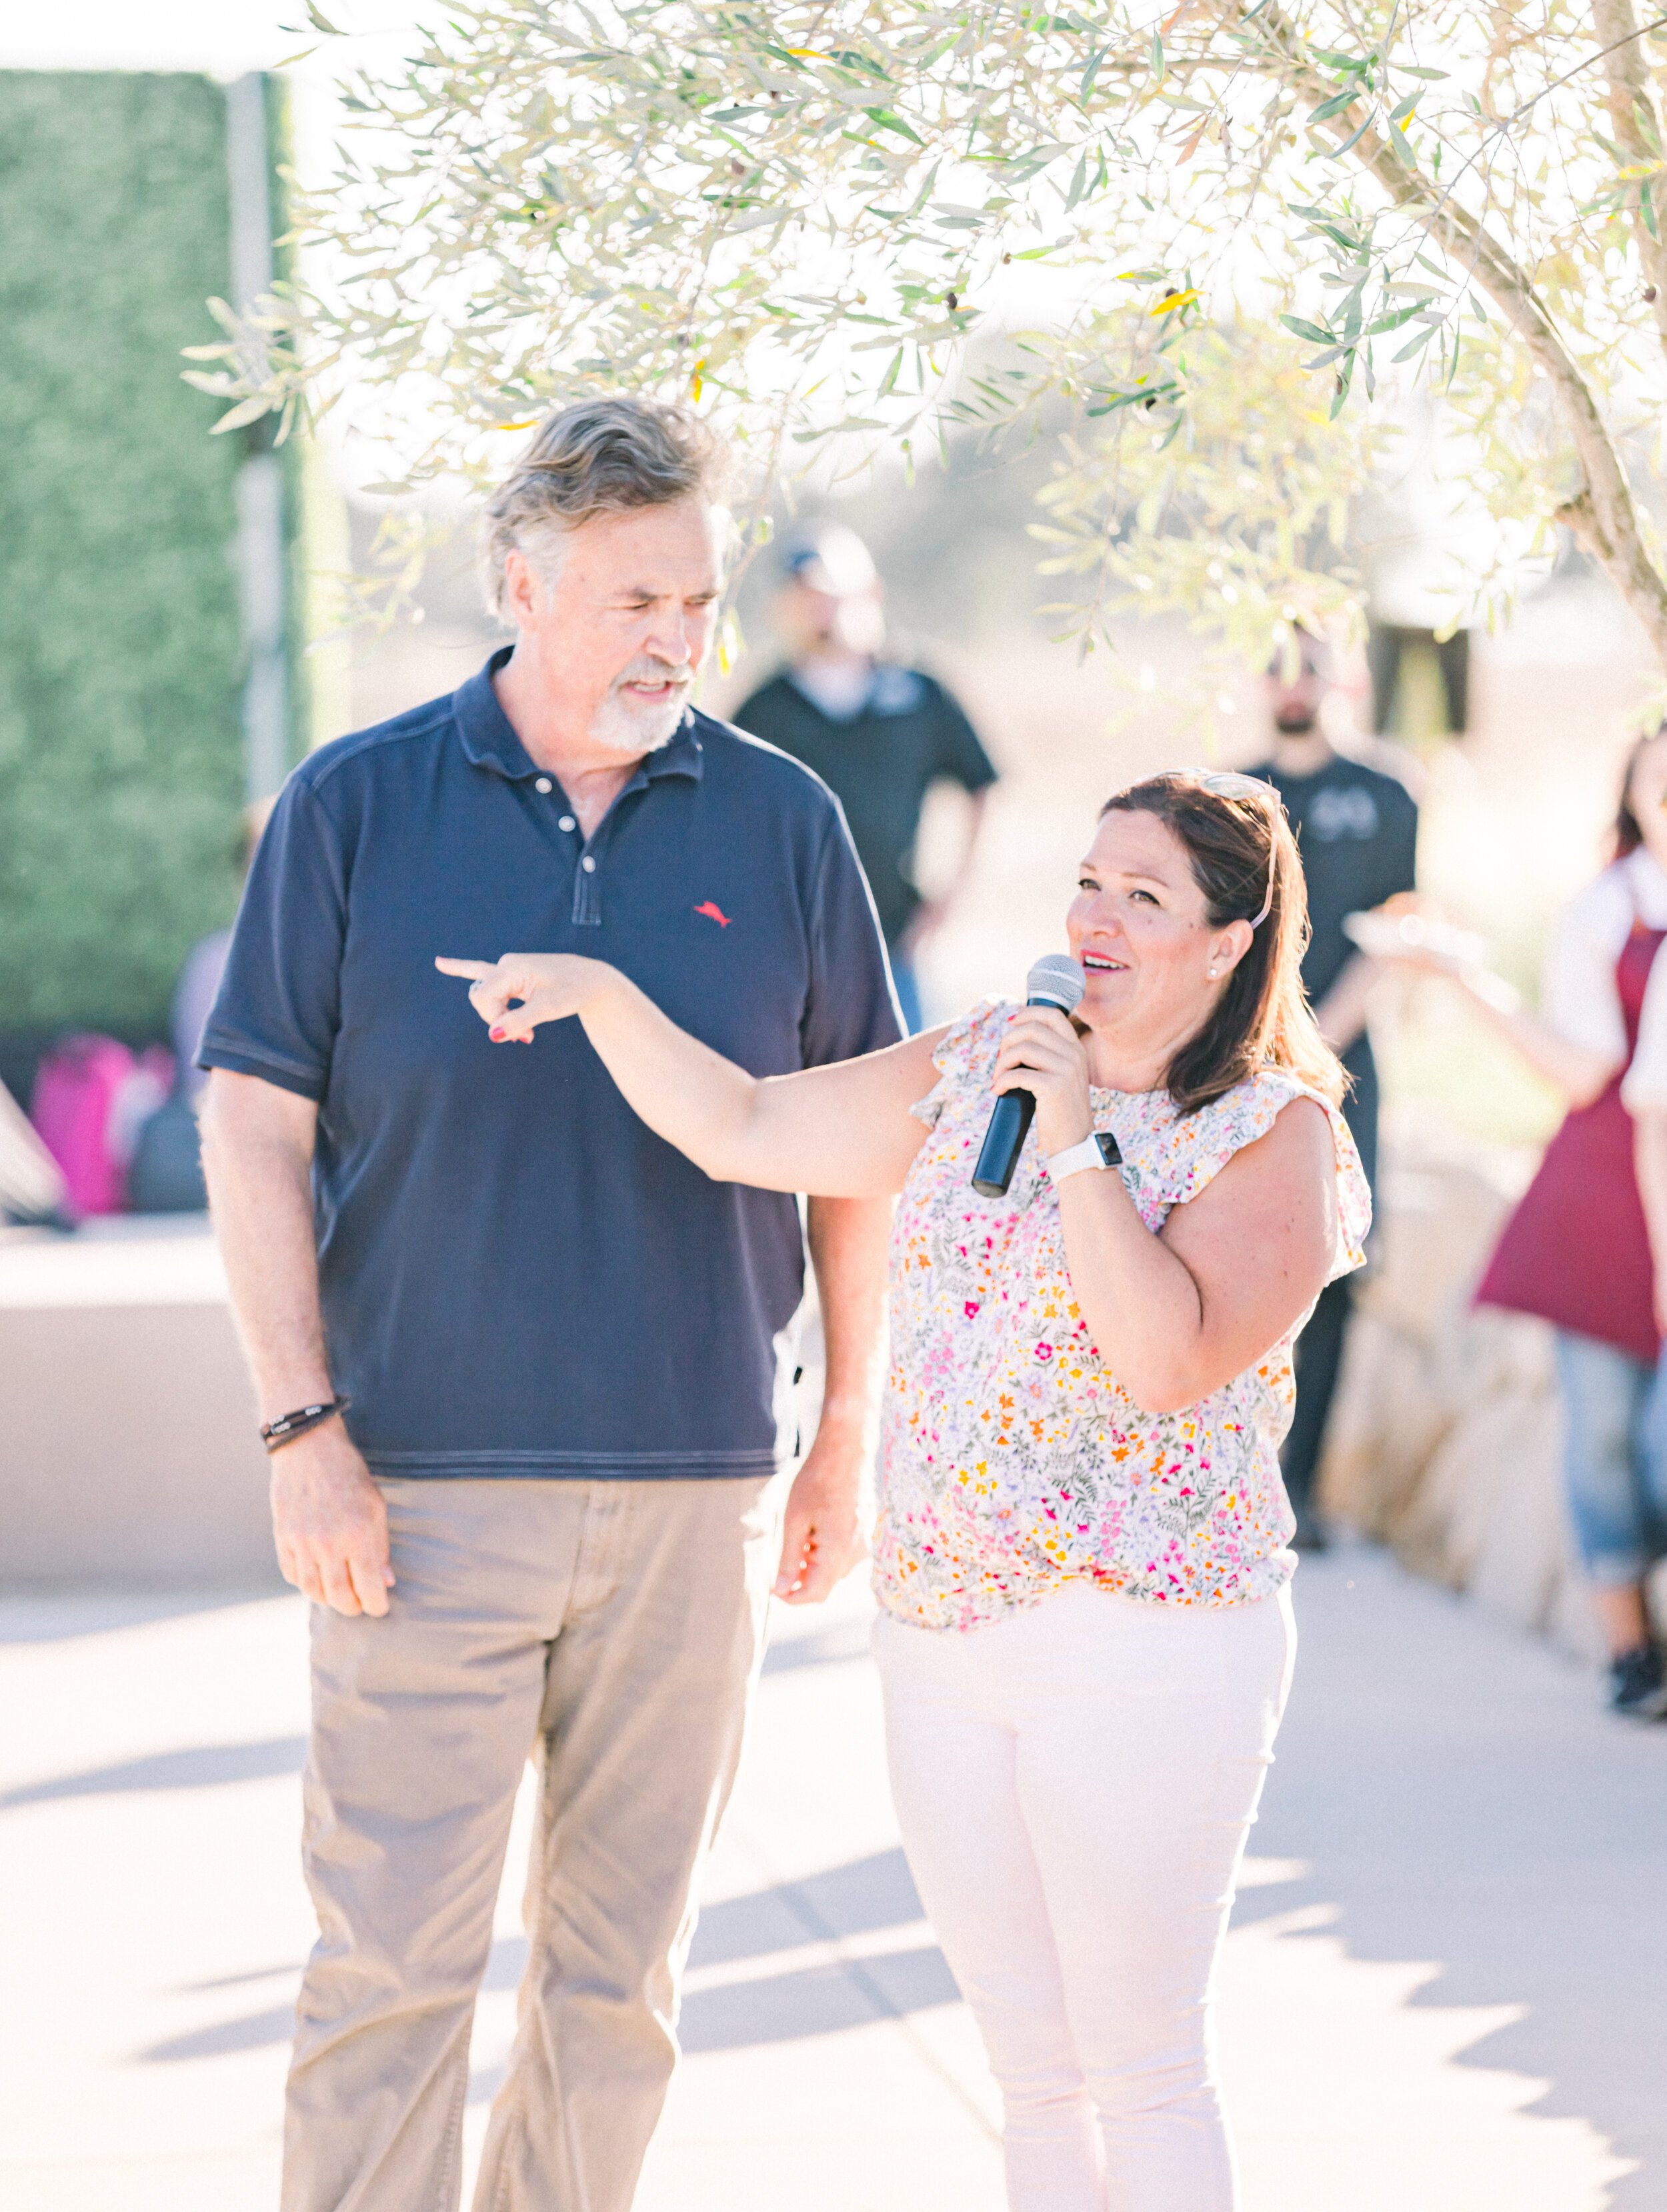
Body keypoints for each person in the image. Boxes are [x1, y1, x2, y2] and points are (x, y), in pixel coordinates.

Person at [439, 769, 1370, 2210]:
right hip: (940, 1631)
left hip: (1144, 1640)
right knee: (1029, 2067)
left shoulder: (1272, 1133)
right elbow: (745, 1125)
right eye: (1088, 882)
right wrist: (602, 995)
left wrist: (1073, 1144)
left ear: (1227, 941)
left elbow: (1168, 1358)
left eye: (1144, 898)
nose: (1096, 920)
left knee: (1140, 2062)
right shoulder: (983, 1058)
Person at [196, 398, 900, 2212]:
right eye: (633, 598)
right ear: (519, 583)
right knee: (385, 1977)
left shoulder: (785, 814)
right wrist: (301, 1429)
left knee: (621, 1992)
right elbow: (251, 1120)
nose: (675, 634)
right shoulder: (355, 805)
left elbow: (856, 1142)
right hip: (415, 1487)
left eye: (697, 596)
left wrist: (842, 1435)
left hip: (692, 1492)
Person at [1404, 730, 1667, 1718]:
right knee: (1602, 1437)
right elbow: (1583, 1067)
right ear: (1632, 795)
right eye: (1658, 779)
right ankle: (1629, 1652)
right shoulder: (1604, 911)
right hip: (1604, 1201)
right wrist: (1470, 985)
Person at [1249, 630, 1418, 1547]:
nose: (1290, 685)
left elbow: (1396, 931)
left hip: (1340, 1069)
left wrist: (1311, 1049)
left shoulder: (1389, 793)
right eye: (1274, 667)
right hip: (1241, 1065)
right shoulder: (1230, 794)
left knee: (1336, 1270)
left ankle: (1298, 1489)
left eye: (1306, 666)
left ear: (1342, 676)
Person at [731, 521, 998, 1031]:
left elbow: (981, 784)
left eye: (831, 595)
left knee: (914, 1090)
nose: (821, 612)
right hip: (792, 950)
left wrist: (951, 897)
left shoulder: (919, 692)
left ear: (870, 592)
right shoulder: (766, 707)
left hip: (893, 942)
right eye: (804, 598)